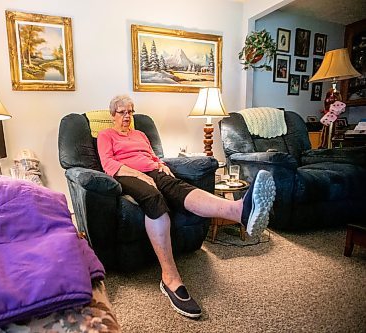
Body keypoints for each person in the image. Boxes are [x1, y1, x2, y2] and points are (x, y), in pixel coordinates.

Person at [97, 95, 276, 318]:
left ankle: (240, 211)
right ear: (112, 114)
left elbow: (153, 156)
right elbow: (108, 164)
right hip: (126, 174)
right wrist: (140, 175)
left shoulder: (141, 134)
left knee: (179, 187)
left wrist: (161, 166)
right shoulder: (106, 135)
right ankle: (169, 278)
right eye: (122, 112)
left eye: (130, 112)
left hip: (153, 170)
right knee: (153, 198)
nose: (127, 116)